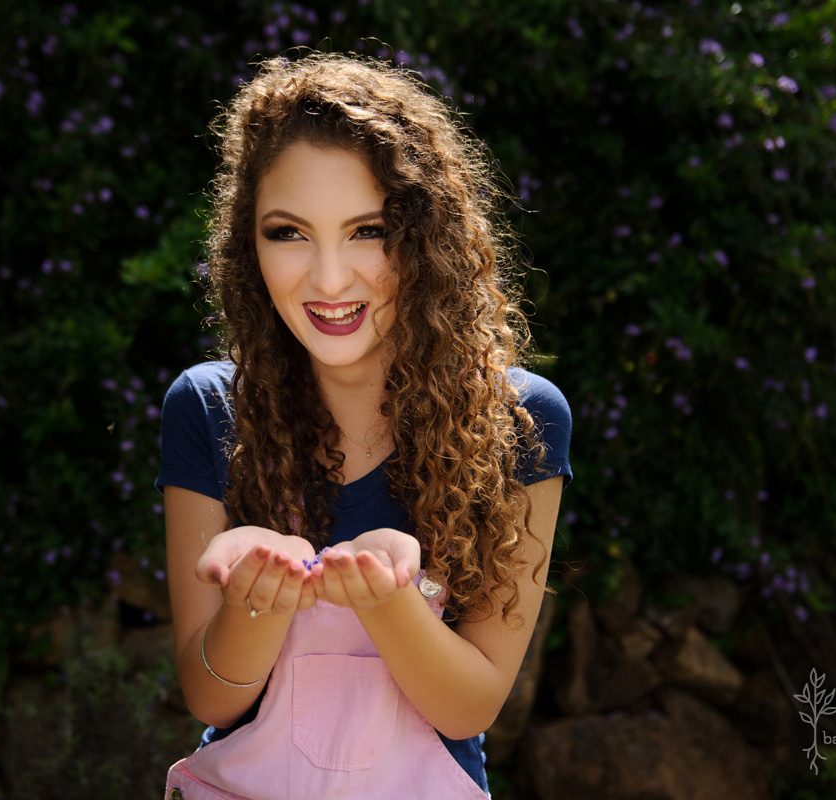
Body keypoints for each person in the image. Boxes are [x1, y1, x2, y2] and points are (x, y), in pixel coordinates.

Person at [156, 53, 571, 800]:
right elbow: (211, 699)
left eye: (368, 231)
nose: (328, 278)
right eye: (288, 232)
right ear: (248, 244)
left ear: (426, 239)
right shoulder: (209, 408)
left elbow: (472, 707)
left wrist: (384, 597)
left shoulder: (520, 421)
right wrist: (259, 601)